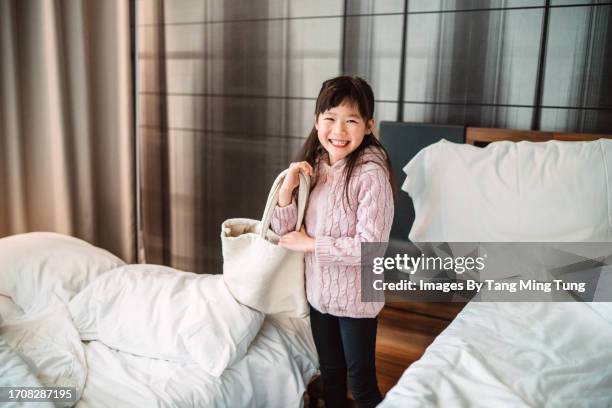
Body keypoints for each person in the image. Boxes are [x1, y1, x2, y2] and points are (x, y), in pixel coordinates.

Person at [270, 76, 396, 408]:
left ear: (368, 126)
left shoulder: (371, 176)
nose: (338, 131)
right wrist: (287, 191)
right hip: (319, 295)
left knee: (362, 382)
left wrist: (312, 244)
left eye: (351, 120)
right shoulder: (315, 167)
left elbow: (371, 248)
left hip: (356, 300)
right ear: (317, 122)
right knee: (331, 374)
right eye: (330, 119)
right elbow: (285, 234)